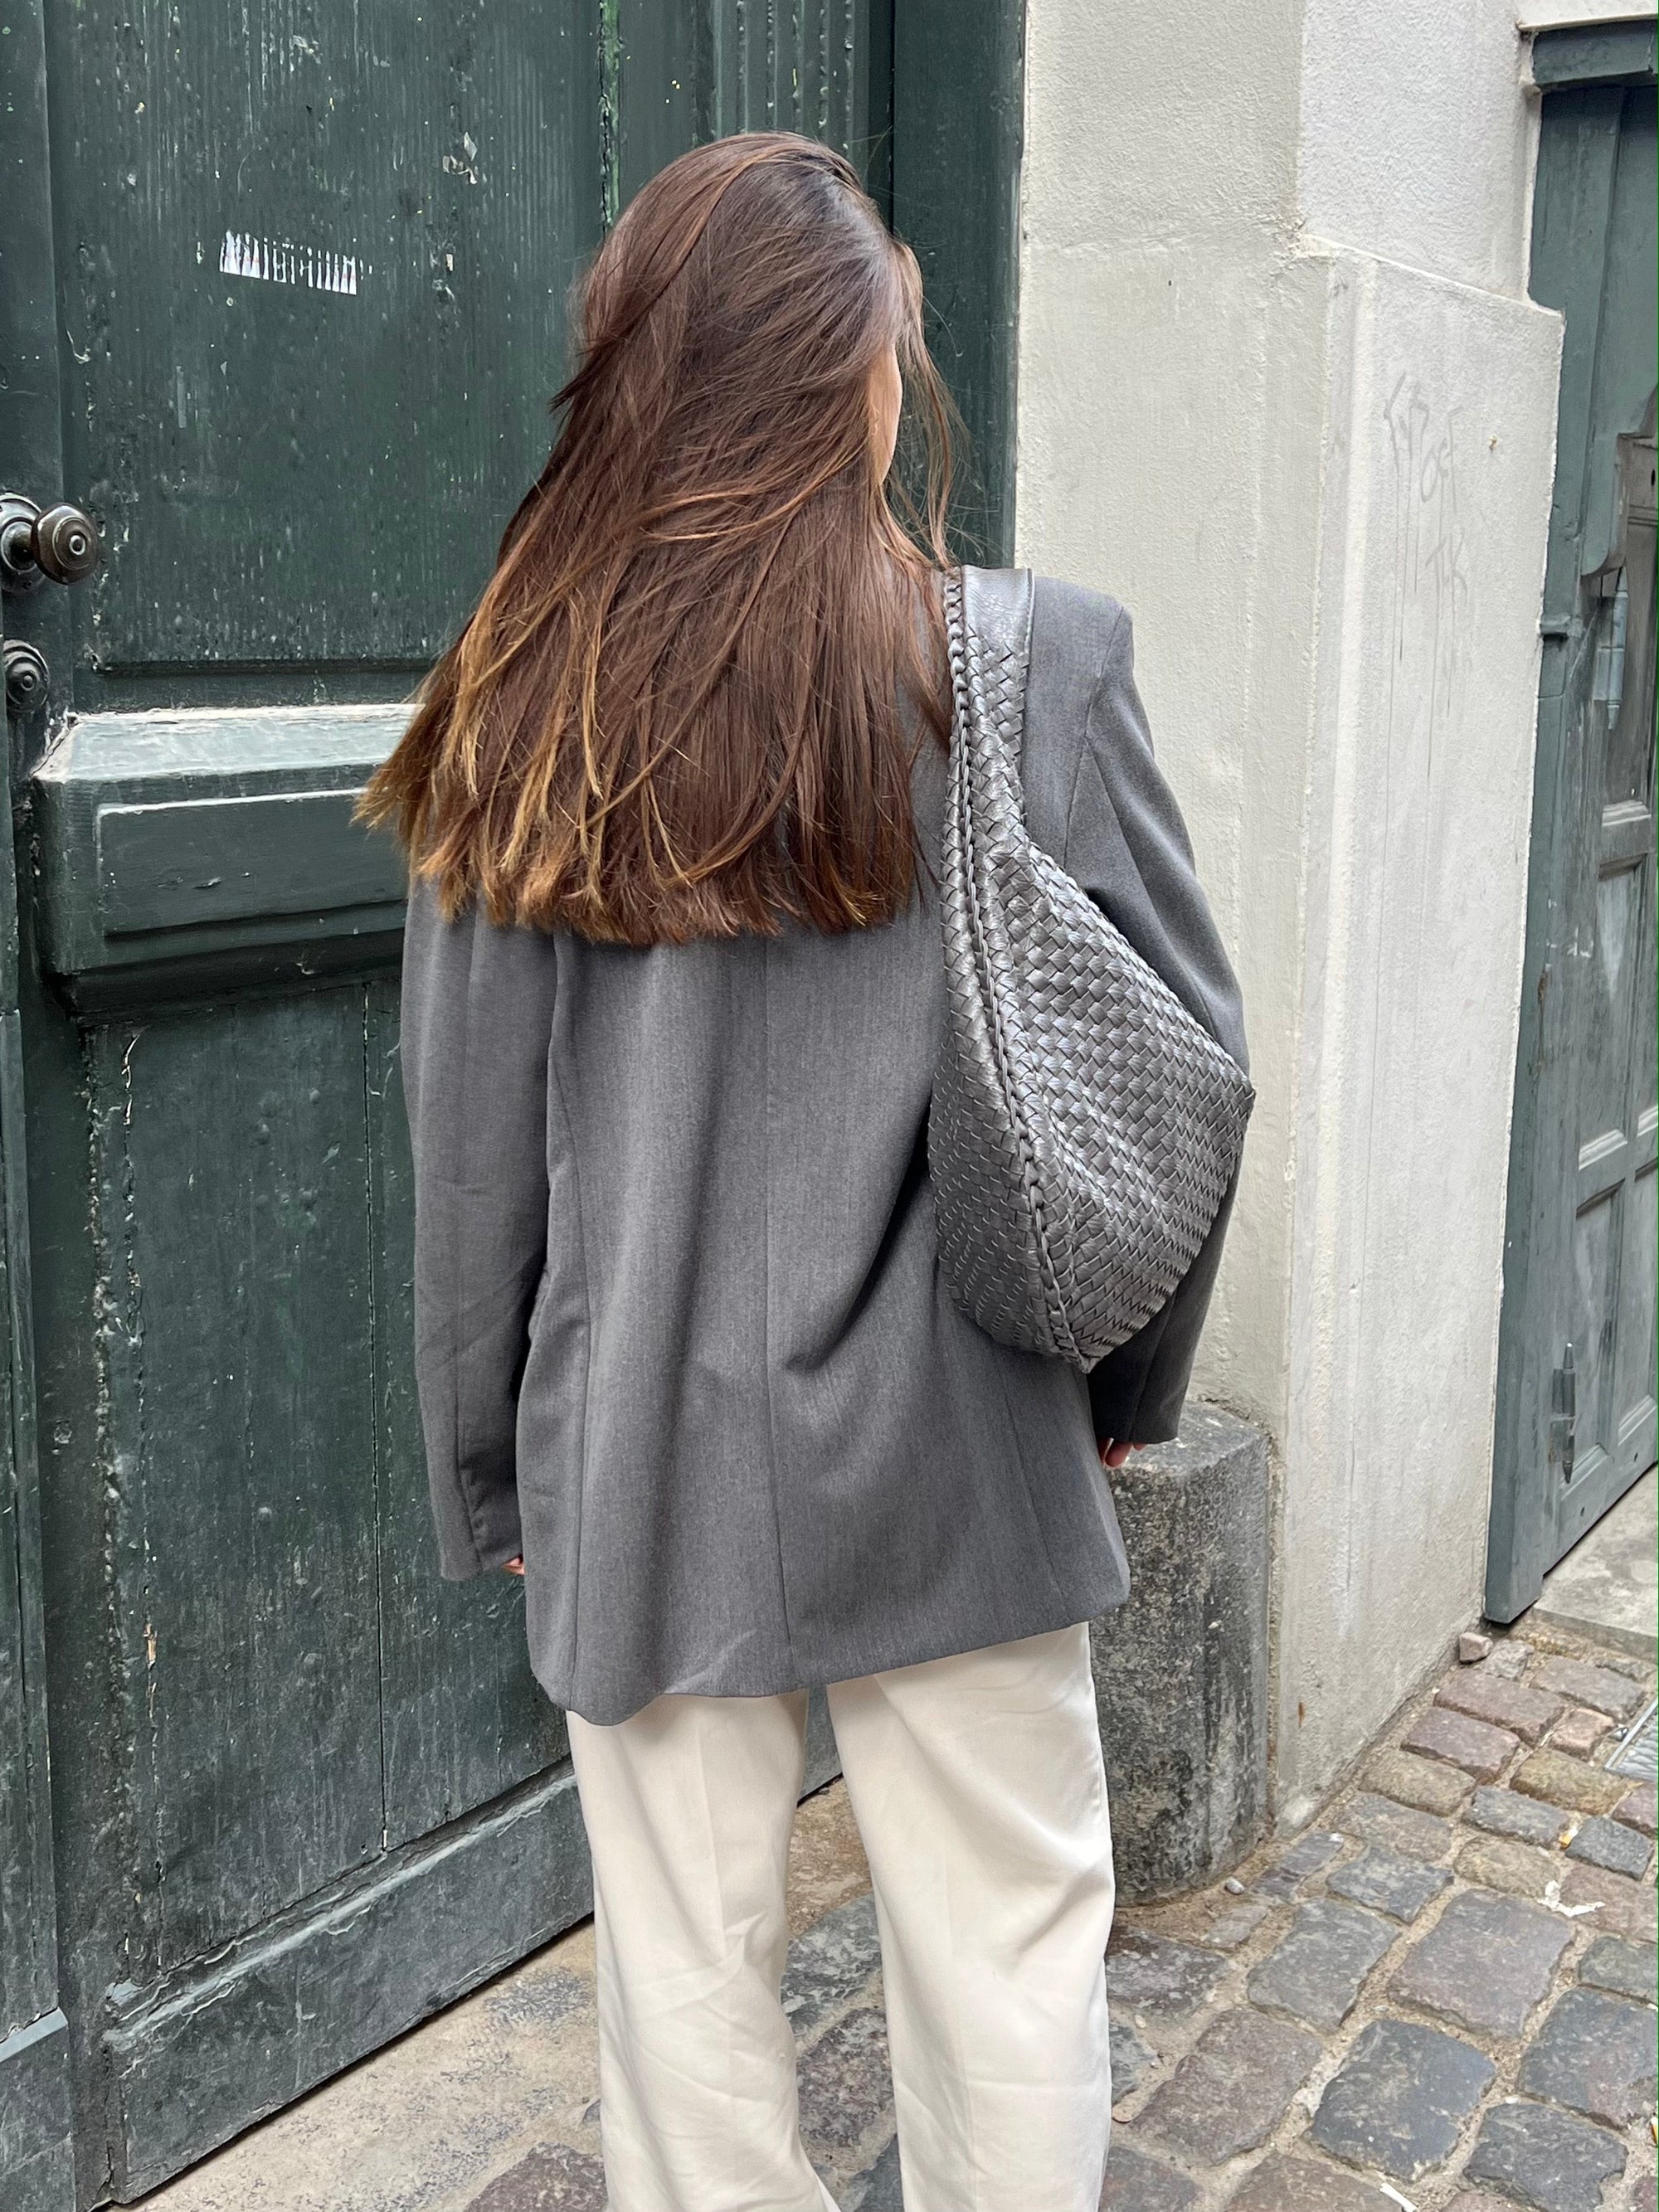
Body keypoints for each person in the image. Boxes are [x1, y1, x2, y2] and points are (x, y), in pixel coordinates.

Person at [364, 130, 1245, 2212]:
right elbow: (1185, 1058)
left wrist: (496, 1468)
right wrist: (1122, 1385)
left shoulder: (516, 686)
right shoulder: (1029, 660)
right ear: (857, 373)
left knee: (679, 1972)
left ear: (640, 362)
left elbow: (468, 1145)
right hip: (960, 1420)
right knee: (1010, 1943)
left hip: (639, 1436)